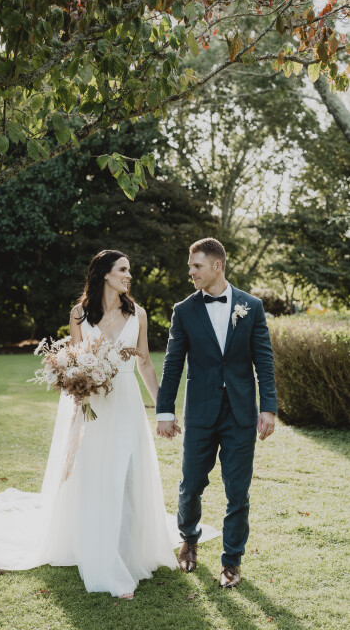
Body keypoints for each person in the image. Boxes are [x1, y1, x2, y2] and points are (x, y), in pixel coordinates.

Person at [0, 250, 218, 598]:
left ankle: (126, 551)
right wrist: (77, 384)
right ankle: (102, 558)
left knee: (127, 476)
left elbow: (144, 364)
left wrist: (164, 409)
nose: (129, 276)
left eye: (129, 270)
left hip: (126, 404)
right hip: (92, 406)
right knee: (96, 476)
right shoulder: (79, 315)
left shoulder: (138, 314)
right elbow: (74, 362)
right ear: (105, 274)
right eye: (123, 269)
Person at [156, 238, 277, 588]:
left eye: (196, 266)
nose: (191, 272)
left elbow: (264, 360)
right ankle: (188, 540)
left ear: (217, 265)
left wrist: (268, 408)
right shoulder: (184, 310)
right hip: (200, 413)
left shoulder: (251, 306)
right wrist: (165, 411)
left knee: (238, 491)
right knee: (191, 484)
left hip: (241, 414)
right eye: (190, 266)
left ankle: (231, 561)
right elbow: (173, 364)